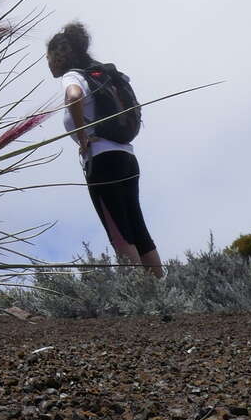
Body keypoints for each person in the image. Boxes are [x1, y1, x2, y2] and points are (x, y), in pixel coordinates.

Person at [46, 21, 163, 278]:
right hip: (127, 157)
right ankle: (163, 293)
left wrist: (82, 137)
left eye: (48, 57)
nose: (48, 63)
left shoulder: (74, 76)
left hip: (101, 161)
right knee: (138, 228)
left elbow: (74, 97)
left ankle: (143, 297)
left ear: (59, 55)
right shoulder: (107, 74)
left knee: (120, 232)